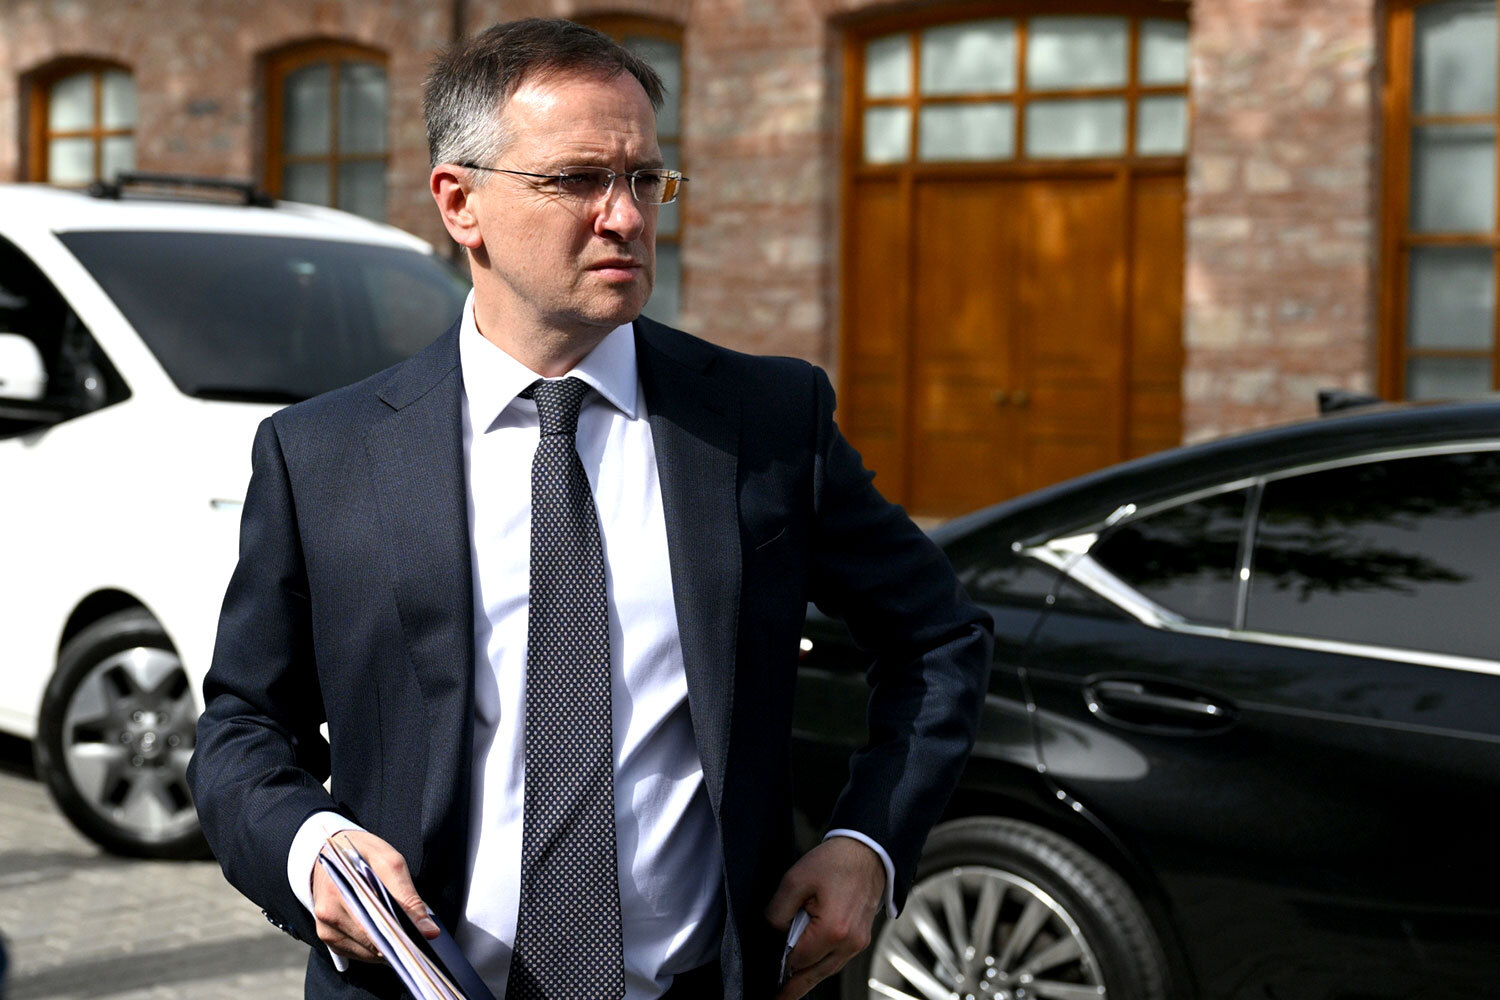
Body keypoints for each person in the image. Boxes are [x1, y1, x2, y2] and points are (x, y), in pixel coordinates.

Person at [188, 18, 991, 1000]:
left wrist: (869, 841)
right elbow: (243, 726)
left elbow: (939, 638)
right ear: (460, 202)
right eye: (577, 180)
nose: (626, 217)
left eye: (645, 178)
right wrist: (309, 848)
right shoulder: (324, 452)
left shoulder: (766, 422)